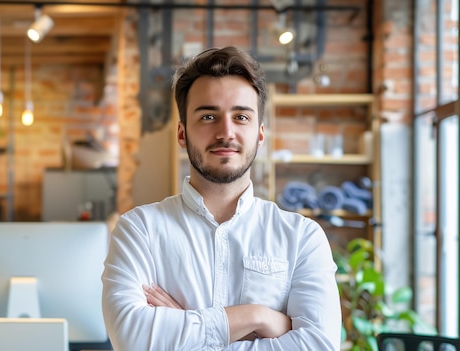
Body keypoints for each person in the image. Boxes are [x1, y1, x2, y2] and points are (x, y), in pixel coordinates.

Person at [101, 46, 341, 350]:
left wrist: (187, 328)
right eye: (208, 116)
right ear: (182, 133)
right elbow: (133, 339)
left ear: (260, 134)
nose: (225, 132)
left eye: (241, 116)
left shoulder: (302, 238)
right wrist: (257, 318)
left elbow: (318, 345)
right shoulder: (140, 231)